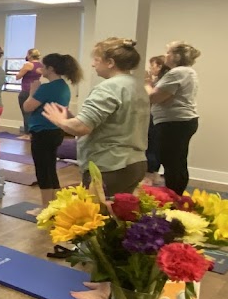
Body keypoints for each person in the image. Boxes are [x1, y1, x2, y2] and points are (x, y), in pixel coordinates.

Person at [42, 38, 149, 196]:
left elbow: (81, 127)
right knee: (120, 210)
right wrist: (71, 118)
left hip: (110, 165)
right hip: (135, 163)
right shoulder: (136, 85)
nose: (93, 64)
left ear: (110, 62)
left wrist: (60, 121)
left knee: (97, 211)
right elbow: (115, 122)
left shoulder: (109, 87)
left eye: (96, 60)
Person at [22, 53, 83, 203]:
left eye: (43, 66)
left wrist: (32, 92)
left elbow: (27, 107)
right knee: (50, 168)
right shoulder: (64, 86)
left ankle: (45, 207)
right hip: (56, 132)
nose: (41, 68)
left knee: (43, 171)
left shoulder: (46, 88)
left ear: (50, 69)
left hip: (42, 133)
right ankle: (53, 205)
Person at [147, 41, 201, 195]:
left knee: (172, 163)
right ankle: (176, 195)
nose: (165, 55)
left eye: (168, 52)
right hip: (181, 122)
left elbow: (154, 97)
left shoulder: (177, 73)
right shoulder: (187, 72)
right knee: (176, 161)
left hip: (174, 123)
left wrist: (146, 83)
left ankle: (174, 197)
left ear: (177, 56)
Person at [144, 55, 170, 186]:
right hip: (155, 116)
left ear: (160, 66)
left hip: (156, 117)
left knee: (152, 144)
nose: (150, 69)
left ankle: (150, 173)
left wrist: (147, 83)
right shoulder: (160, 81)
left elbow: (152, 97)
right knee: (153, 144)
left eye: (152, 65)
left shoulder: (163, 82)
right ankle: (152, 172)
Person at [16, 49, 44, 137]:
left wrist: (20, 71)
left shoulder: (28, 65)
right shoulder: (41, 65)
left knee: (26, 113)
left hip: (26, 91)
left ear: (30, 55)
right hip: (36, 91)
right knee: (35, 113)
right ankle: (34, 133)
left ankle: (27, 134)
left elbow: (18, 76)